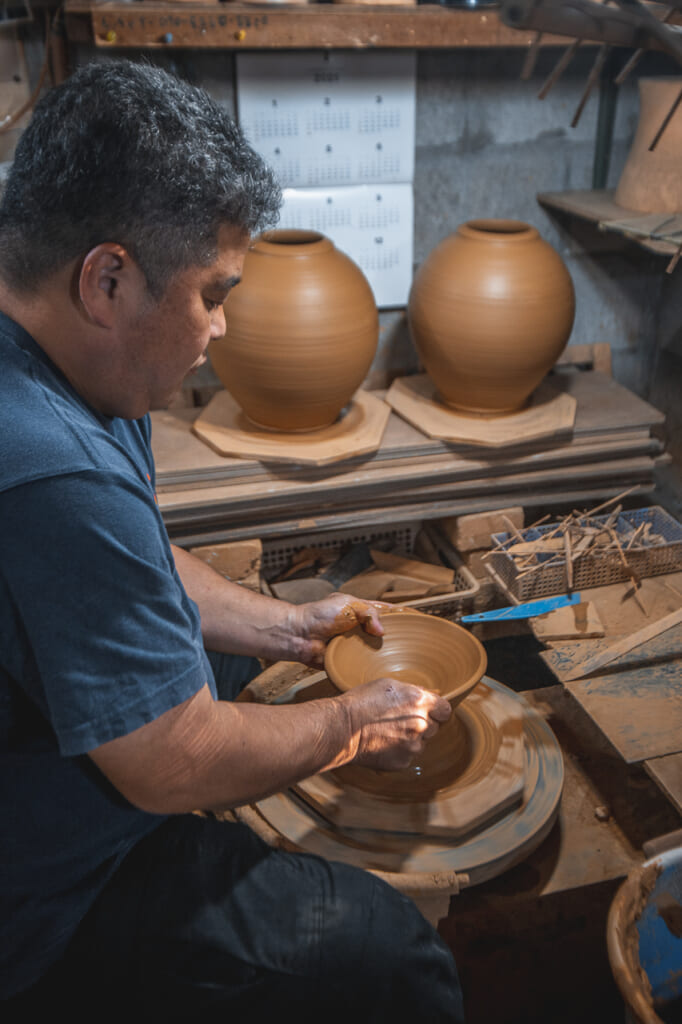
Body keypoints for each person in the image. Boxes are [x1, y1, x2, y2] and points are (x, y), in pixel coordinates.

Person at [0, 60, 464, 1022]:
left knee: (238, 665)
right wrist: (351, 726)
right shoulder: (50, 467)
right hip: (39, 897)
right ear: (110, 279)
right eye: (214, 293)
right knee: (391, 954)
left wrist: (291, 629)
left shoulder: (62, 356)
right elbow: (172, 758)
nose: (218, 328)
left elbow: (131, 564)